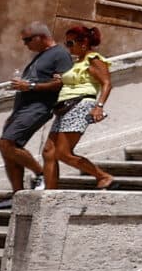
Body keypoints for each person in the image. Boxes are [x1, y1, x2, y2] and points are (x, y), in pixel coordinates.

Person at [0, 23, 71, 195]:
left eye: (27, 40)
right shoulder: (41, 56)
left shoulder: (59, 54)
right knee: (8, 151)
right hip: (22, 109)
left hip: (38, 107)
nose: (25, 44)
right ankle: (17, 195)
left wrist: (29, 85)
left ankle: (41, 174)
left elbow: (61, 82)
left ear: (40, 37)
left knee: (6, 143)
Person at [44, 24, 114, 190]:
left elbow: (106, 83)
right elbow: (74, 81)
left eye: (70, 43)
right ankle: (49, 192)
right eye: (66, 43)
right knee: (49, 151)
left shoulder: (93, 59)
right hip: (64, 107)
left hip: (80, 105)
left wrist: (99, 107)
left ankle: (103, 176)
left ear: (83, 43)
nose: (67, 48)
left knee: (63, 153)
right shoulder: (78, 62)